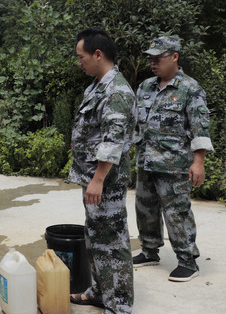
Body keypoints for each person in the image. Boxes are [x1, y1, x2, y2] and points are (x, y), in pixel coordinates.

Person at [134, 36, 213, 282]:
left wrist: (198, 162)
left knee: (177, 213)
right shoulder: (145, 87)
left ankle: (188, 262)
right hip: (146, 160)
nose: (153, 63)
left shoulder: (190, 88)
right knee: (145, 209)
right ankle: (149, 251)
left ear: (175, 57)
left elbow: (200, 127)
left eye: (158, 58)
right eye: (150, 59)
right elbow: (136, 123)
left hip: (174, 164)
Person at [67, 27, 136, 314]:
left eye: (82, 57)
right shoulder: (97, 86)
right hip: (94, 179)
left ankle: (119, 304)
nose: (79, 62)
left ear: (98, 54)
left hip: (105, 181)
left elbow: (113, 140)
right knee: (95, 236)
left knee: (113, 241)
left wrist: (97, 179)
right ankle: (99, 291)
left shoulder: (117, 91)